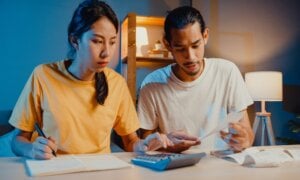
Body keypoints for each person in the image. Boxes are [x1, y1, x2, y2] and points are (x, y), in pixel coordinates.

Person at [8, 0, 197, 160]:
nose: (107, 52)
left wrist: (145, 144)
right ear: (75, 40)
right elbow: (18, 140)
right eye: (97, 41)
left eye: (112, 41)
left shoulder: (116, 83)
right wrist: (32, 149)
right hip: (56, 170)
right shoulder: (43, 75)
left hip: (102, 172)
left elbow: (131, 142)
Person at [138, 6, 254, 152]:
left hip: (222, 165)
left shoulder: (227, 72)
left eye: (195, 45)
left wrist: (244, 139)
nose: (191, 57)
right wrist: (169, 145)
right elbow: (146, 145)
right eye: (180, 48)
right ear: (167, 44)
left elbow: (248, 135)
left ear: (205, 36)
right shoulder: (151, 85)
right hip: (177, 169)